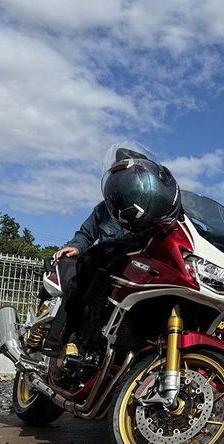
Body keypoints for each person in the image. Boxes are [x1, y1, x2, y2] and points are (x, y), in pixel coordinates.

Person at [42, 142, 181, 359]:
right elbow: (86, 233)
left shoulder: (157, 206)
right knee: (89, 278)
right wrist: (76, 246)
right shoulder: (105, 208)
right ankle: (69, 341)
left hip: (137, 271)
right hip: (107, 266)